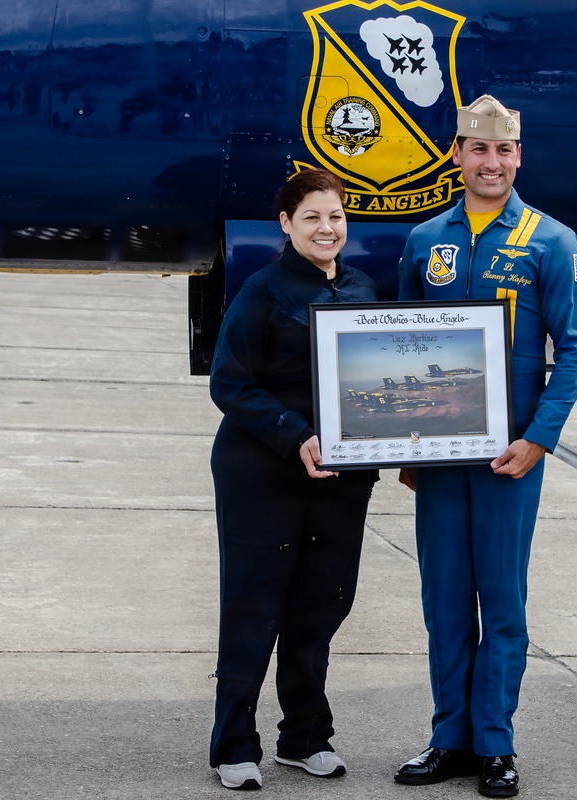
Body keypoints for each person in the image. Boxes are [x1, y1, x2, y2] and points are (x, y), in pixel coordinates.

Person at [393, 95, 577, 797]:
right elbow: (401, 347)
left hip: (511, 460)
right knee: (444, 602)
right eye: (479, 150)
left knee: (502, 604)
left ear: (519, 157)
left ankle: (496, 745)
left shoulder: (551, 241)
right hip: (441, 460)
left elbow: (574, 352)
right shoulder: (424, 241)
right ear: (456, 154)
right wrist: (405, 446)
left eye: (504, 151)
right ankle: (449, 740)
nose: (492, 163)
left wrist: (538, 440)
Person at [208, 169, 379, 790]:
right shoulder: (262, 290)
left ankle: (305, 738)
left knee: (321, 605)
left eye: (334, 216)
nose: (326, 228)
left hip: (339, 477)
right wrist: (294, 433)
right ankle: (234, 746)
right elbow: (229, 383)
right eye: (311, 217)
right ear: (285, 224)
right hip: (263, 468)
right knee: (254, 606)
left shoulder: (363, 290)